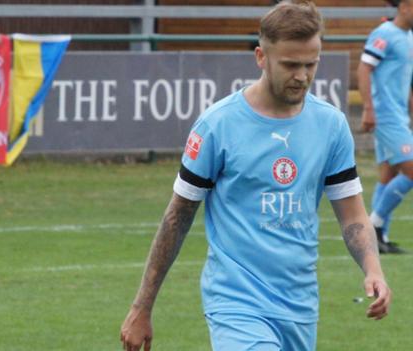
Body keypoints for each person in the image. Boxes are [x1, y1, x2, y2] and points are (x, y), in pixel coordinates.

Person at [120, 1, 391, 350]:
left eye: (311, 64)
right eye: (291, 65)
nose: (303, 75)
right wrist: (142, 306)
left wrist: (373, 269)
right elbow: (177, 215)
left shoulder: (332, 126)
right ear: (261, 57)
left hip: (300, 305)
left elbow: (352, 214)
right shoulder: (218, 125)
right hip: (235, 302)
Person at [357, 0, 413, 254]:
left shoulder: (408, 36)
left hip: (398, 115)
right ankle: (372, 225)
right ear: (405, 6)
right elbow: (364, 68)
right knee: (411, 170)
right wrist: (368, 108)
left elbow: (404, 78)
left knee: (388, 176)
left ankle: (380, 238)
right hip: (385, 114)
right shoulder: (384, 33)